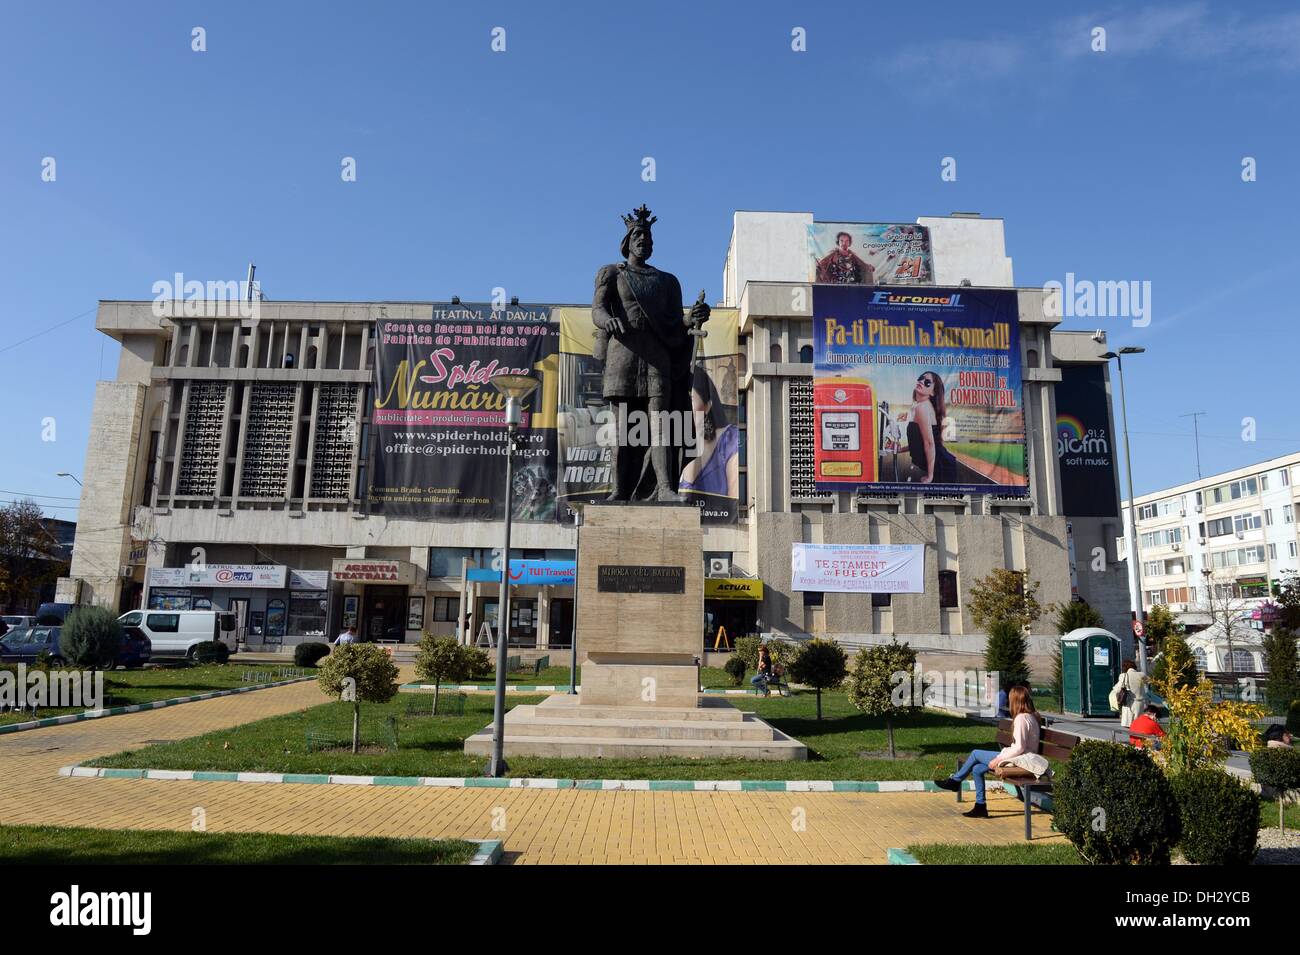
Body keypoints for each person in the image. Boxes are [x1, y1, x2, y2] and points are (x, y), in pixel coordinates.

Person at [935, 686, 1042, 817]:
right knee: (978, 769)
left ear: (1015, 700)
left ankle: (954, 781)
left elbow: (1019, 747)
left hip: (1021, 760)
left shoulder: (1021, 718)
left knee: (975, 753)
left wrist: (997, 760)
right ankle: (980, 806)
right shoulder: (1031, 716)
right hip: (1023, 758)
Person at [679, 365, 740, 503]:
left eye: (690, 398)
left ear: (708, 406)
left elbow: (733, 506)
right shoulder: (663, 446)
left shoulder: (730, 440)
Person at [898, 371, 958, 485]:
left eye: (927, 382)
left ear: (933, 392)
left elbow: (930, 444)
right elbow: (919, 442)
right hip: (939, 467)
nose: (921, 381)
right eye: (921, 378)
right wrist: (900, 449)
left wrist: (930, 476)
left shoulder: (922, 408)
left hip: (941, 469)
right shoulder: (918, 406)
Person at [1115, 659, 1146, 728]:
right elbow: (1149, 682)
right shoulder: (1142, 675)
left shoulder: (1123, 675)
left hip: (1128, 703)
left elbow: (1118, 689)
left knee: (1129, 726)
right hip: (1139, 703)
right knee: (1138, 726)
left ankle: (1131, 738)